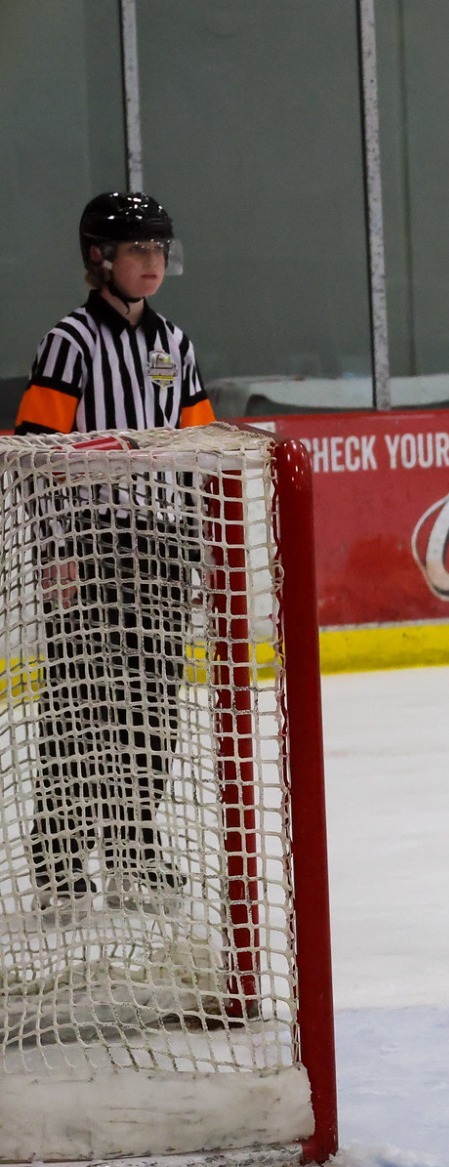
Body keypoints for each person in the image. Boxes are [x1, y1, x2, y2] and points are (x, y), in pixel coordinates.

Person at [14, 192, 214, 918]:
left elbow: (197, 452)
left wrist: (196, 549)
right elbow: (38, 455)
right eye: (138, 251)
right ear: (100, 258)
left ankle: (133, 850)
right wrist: (56, 550)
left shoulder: (176, 345)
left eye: (161, 251)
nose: (154, 263)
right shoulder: (70, 341)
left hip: (159, 546)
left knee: (151, 705)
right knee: (78, 701)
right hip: (91, 544)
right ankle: (61, 857)